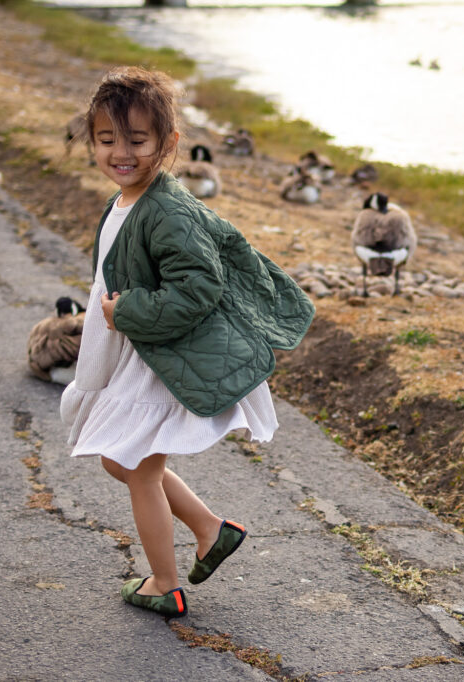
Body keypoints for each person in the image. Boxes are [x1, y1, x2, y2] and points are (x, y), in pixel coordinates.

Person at [60, 66, 314, 618]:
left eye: (136, 140)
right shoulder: (126, 197)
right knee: (119, 461)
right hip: (141, 352)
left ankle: (164, 582)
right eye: (106, 140)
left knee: (140, 469)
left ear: (168, 143)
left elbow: (198, 288)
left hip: (160, 358)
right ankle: (209, 529)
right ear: (92, 142)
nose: (120, 152)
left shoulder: (168, 211)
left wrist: (127, 310)